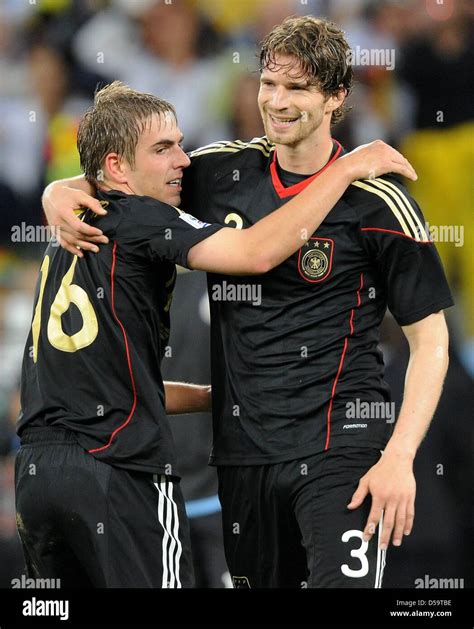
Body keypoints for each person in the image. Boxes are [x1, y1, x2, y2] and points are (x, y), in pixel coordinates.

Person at [42, 16, 452, 589]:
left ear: (336, 96)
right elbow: (129, 180)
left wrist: (402, 455)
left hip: (340, 449)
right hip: (243, 457)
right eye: (269, 83)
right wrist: (59, 189)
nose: (276, 102)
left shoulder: (379, 201)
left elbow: (430, 338)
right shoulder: (218, 171)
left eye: (298, 88)